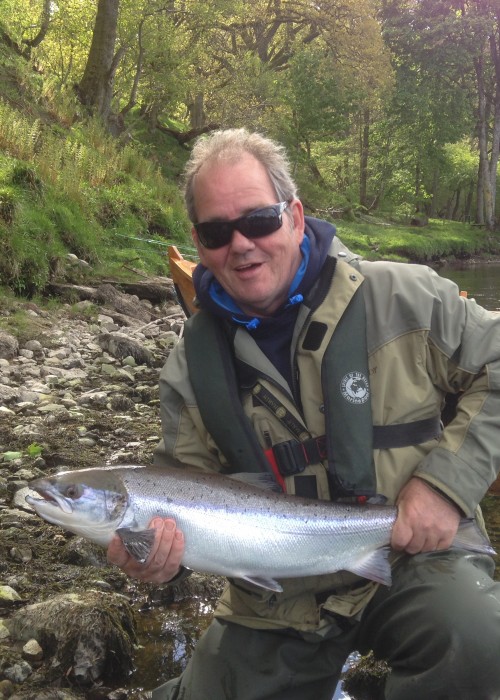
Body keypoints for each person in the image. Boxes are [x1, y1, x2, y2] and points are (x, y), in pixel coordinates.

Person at [108, 128, 500, 700]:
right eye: (218, 231)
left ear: (293, 216)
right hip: (273, 597)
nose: (240, 244)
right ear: (198, 243)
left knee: (481, 644)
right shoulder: (188, 370)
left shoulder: (405, 297)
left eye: (259, 220)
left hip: (413, 554)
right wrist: (159, 560)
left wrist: (446, 486)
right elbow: (181, 488)